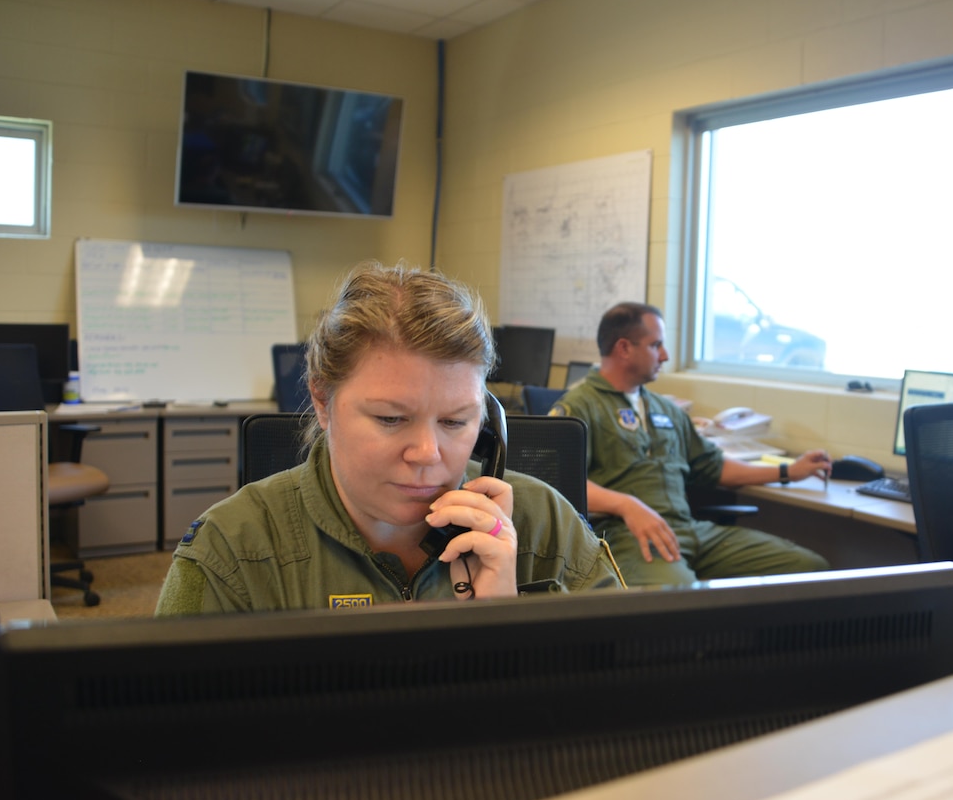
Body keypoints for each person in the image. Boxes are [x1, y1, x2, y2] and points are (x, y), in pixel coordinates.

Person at [156, 262, 621, 614]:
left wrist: (504, 618)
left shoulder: (547, 528)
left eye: (456, 422)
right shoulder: (232, 550)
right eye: (390, 419)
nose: (427, 454)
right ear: (322, 400)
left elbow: (627, 710)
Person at [549, 302, 831, 587]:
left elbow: (714, 467)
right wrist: (626, 505)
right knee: (676, 597)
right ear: (624, 348)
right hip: (630, 534)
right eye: (655, 345)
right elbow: (557, 483)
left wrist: (788, 472)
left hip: (689, 530)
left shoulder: (665, 409)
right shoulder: (580, 406)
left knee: (810, 569)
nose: (665, 355)